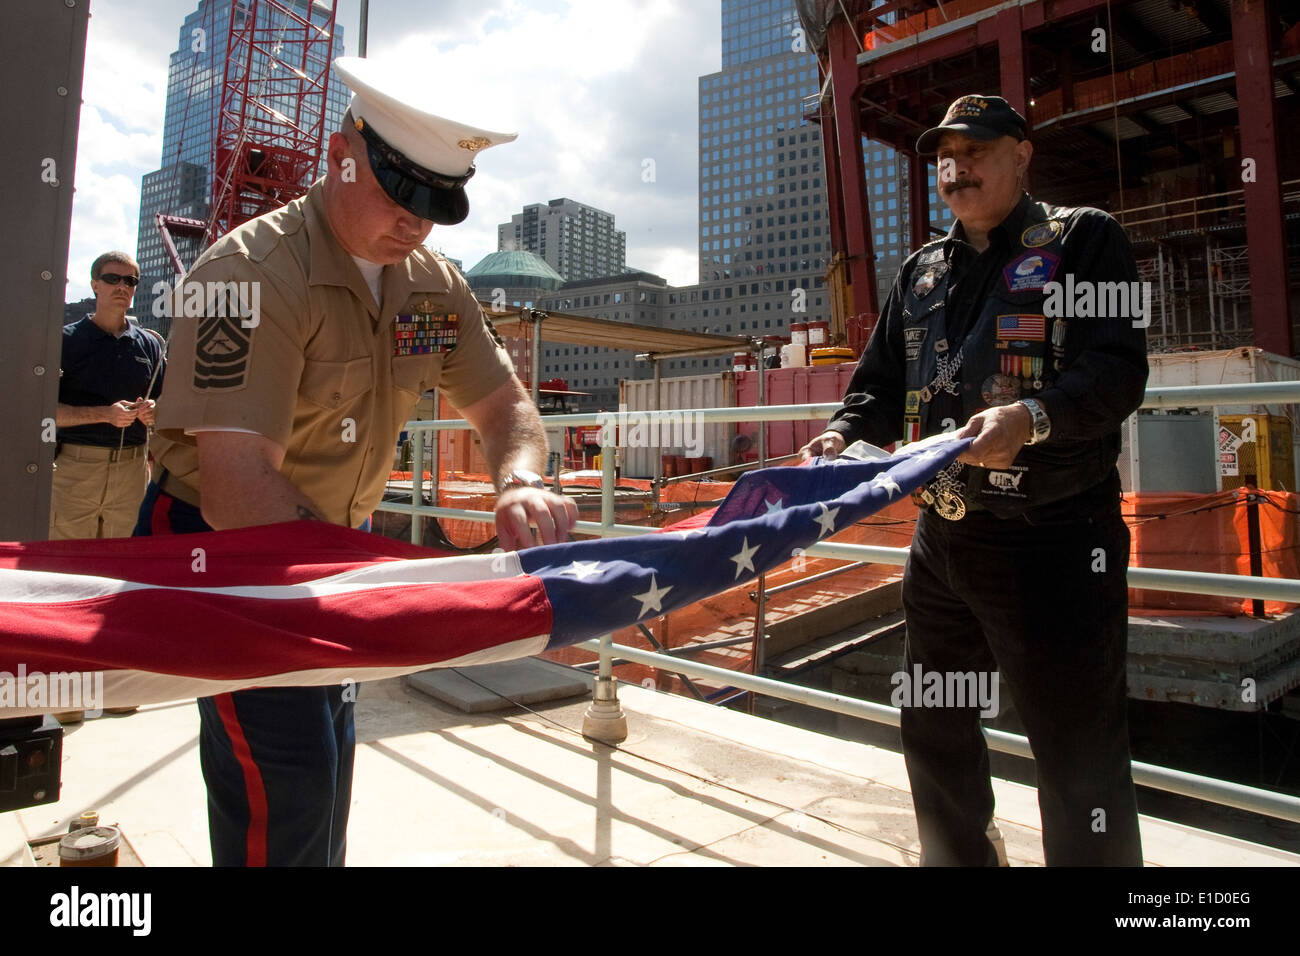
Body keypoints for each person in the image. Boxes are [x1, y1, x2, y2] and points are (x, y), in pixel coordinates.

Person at [134, 56, 577, 867]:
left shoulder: (432, 290)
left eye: (437, 205)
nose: (417, 224)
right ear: (343, 151)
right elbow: (236, 489)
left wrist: (521, 477)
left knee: (328, 759)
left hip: (334, 542)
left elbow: (506, 407)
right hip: (228, 546)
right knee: (288, 777)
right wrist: (380, 577)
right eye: (400, 194)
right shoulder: (250, 277)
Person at [800, 95, 1148, 866]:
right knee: (934, 721)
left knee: (1075, 747)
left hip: (1054, 541)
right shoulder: (922, 270)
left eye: (976, 150)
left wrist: (1031, 419)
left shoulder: (1083, 239)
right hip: (944, 539)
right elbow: (877, 385)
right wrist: (841, 434)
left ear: (1022, 154)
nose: (956, 169)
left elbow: (1117, 370)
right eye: (944, 157)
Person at [51, 252, 163, 541]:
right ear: (94, 285)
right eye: (112, 278)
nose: (122, 286)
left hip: (132, 471)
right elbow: (44, 411)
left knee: (123, 561)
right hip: (75, 468)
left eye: (130, 280)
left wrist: (154, 411)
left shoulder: (150, 344)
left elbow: (169, 402)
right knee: (67, 562)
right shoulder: (66, 341)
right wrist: (105, 414)